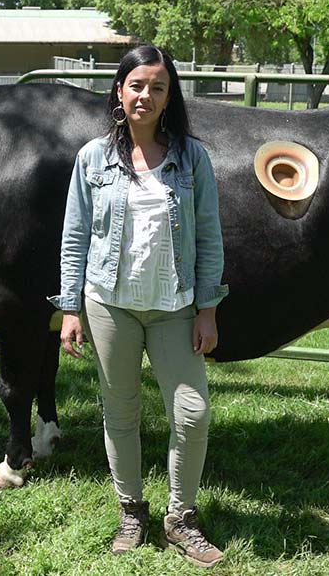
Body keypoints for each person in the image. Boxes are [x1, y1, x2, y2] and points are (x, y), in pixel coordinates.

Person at [48, 45, 228, 568]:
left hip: (174, 306)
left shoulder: (192, 157)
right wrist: (72, 309)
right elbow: (74, 236)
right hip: (109, 306)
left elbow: (211, 237)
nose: (145, 95)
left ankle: (181, 517)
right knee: (120, 412)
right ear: (119, 92)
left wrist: (208, 308)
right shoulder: (91, 159)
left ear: (170, 96)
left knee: (191, 414)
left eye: (158, 87)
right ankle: (132, 510)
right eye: (137, 85)